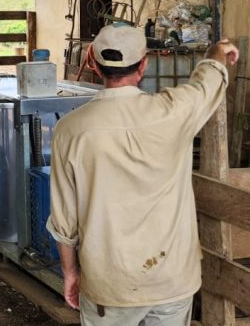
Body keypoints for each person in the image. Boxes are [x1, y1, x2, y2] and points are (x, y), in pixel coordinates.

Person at [47, 24, 239, 326]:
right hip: (170, 279)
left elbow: (64, 220)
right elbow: (207, 83)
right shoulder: (174, 112)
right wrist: (215, 53)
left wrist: (71, 273)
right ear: (145, 64)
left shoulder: (70, 130)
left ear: (93, 64)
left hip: (108, 284)